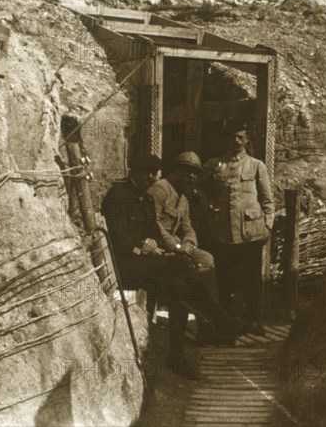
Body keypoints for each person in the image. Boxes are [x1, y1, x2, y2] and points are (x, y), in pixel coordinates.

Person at [101, 153, 252, 379]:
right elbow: (119, 239)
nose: (149, 178)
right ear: (132, 171)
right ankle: (218, 321)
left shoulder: (145, 198)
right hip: (124, 266)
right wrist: (142, 246)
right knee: (179, 269)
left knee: (178, 285)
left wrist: (152, 243)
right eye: (144, 172)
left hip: (142, 264)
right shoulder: (118, 195)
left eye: (152, 173)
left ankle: (178, 355)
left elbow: (153, 229)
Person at [200, 122, 274, 326]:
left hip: (250, 234)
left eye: (240, 137)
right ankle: (227, 324)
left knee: (252, 281)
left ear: (247, 139)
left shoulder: (257, 165)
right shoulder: (215, 164)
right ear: (226, 138)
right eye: (232, 137)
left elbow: (268, 200)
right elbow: (195, 187)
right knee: (224, 280)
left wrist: (268, 225)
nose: (236, 141)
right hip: (222, 233)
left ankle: (255, 322)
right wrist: (208, 204)